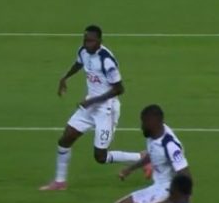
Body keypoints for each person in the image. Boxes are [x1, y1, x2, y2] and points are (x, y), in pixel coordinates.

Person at [40, 25, 146, 191]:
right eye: (85, 40)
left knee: (100, 157)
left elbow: (119, 89)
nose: (87, 44)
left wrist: (93, 101)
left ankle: (142, 158)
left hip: (106, 109)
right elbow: (79, 63)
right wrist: (64, 77)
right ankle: (60, 182)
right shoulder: (83, 51)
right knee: (65, 139)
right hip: (90, 105)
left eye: (91, 41)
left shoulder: (107, 61)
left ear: (99, 41)